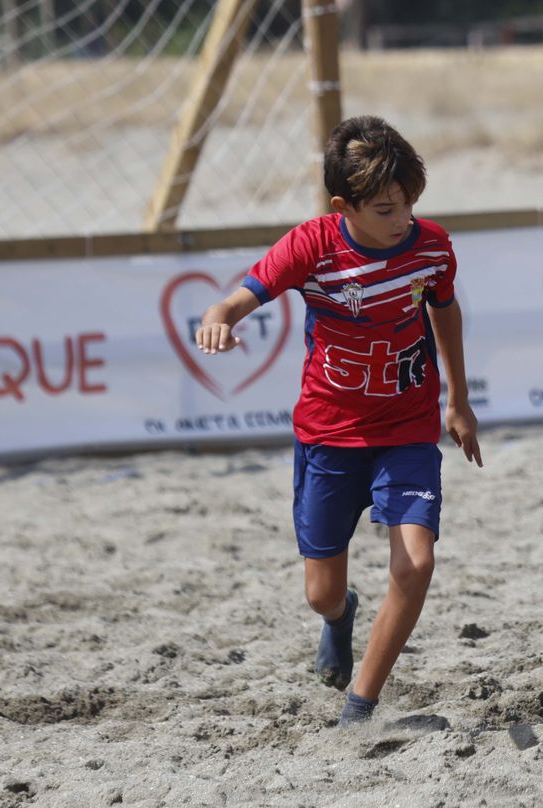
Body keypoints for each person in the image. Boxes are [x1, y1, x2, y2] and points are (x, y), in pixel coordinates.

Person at [194, 115, 482, 727]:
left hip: (407, 427)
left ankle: (361, 703)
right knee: (321, 592)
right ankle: (338, 618)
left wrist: (458, 399)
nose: (402, 220)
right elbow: (239, 297)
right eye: (384, 209)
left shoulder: (431, 245)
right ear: (342, 205)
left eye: (408, 204)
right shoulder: (312, 245)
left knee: (417, 562)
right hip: (329, 434)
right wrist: (220, 316)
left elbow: (446, 313)